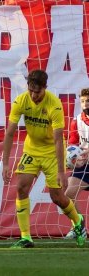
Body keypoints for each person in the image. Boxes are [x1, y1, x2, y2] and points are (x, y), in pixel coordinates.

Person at [2, 69, 86, 248]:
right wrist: (5, 163)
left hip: (51, 153)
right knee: (21, 187)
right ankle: (26, 237)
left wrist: (62, 172)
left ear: (45, 88)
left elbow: (58, 139)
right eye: (31, 90)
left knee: (57, 197)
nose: (33, 95)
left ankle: (78, 221)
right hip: (31, 150)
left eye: (37, 92)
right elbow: (9, 133)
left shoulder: (54, 105)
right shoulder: (21, 101)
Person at [64, 88, 89, 239]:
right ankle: (79, 226)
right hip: (85, 165)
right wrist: (74, 158)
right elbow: (72, 145)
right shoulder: (77, 121)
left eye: (88, 101)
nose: (85, 104)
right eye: (83, 101)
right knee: (68, 194)